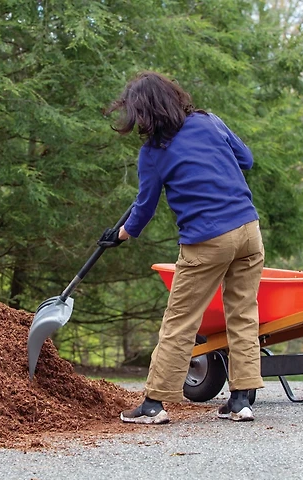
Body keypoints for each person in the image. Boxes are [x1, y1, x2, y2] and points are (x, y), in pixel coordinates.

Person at [99, 71, 265, 424]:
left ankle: (154, 404)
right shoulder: (209, 122)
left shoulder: (153, 153)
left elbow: (144, 207)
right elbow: (246, 160)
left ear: (145, 113)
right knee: (243, 315)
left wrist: (121, 234)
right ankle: (241, 401)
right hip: (249, 231)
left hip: (207, 240)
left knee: (180, 322)